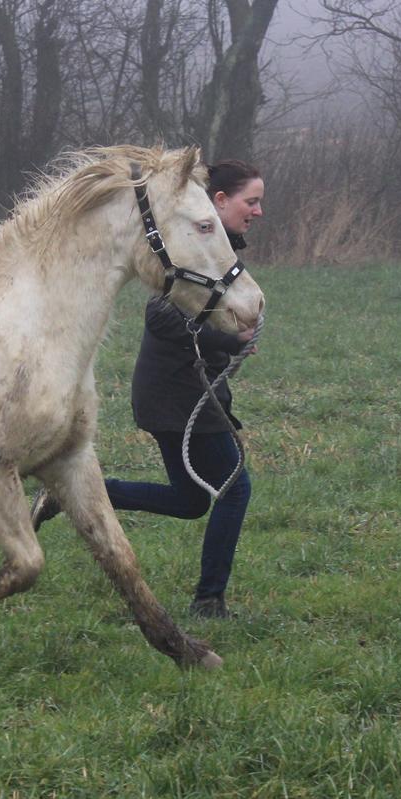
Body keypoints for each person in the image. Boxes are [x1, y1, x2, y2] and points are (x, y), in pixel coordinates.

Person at [30, 160, 265, 619]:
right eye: (250, 201)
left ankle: (71, 495)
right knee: (234, 489)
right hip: (177, 397)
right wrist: (226, 338)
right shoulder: (193, 244)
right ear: (219, 201)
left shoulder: (221, 248)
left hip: (180, 394)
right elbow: (161, 313)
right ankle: (208, 601)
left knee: (191, 500)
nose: (257, 211)